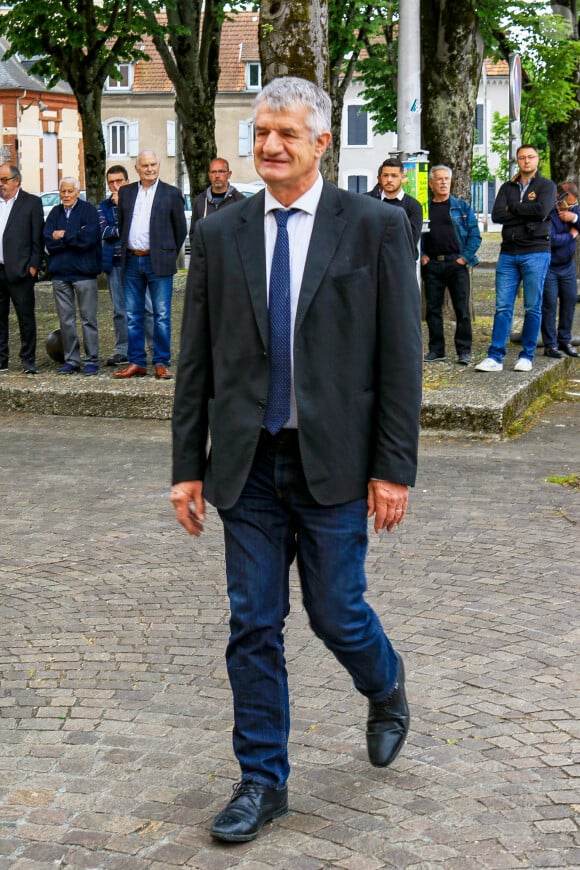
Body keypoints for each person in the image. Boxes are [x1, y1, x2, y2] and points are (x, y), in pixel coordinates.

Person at [171, 76, 422, 844]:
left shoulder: (375, 227)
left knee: (337, 612)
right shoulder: (218, 233)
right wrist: (187, 466)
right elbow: (196, 363)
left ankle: (386, 686)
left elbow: (400, 356)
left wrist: (393, 467)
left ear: (321, 143)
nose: (270, 145)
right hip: (246, 468)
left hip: (337, 466)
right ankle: (262, 781)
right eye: (261, 132)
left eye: (287, 133)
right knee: (253, 624)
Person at [476, 144, 556, 373]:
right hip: (508, 253)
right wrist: (525, 211)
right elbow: (498, 214)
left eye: (531, 157)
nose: (526, 161)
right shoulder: (507, 187)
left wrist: (515, 209)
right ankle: (495, 356)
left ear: (537, 160)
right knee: (502, 306)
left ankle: (527, 355)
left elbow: (542, 211)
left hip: (536, 252)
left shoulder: (546, 186)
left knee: (532, 306)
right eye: (522, 158)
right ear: (517, 161)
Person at [114, 150, 187, 380]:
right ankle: (137, 362)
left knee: (162, 314)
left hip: (159, 261)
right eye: (144, 165)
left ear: (158, 166)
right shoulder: (126, 193)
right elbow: (123, 224)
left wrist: (166, 253)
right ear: (136, 168)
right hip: (132, 260)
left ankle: (161, 362)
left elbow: (180, 230)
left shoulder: (171, 194)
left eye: (153, 164)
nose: (149, 169)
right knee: (133, 314)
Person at [420, 165, 481, 365]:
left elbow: (475, 235)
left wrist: (464, 258)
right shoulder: (424, 208)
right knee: (433, 310)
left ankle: (464, 351)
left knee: (461, 309)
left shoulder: (462, 207)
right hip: (433, 266)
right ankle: (437, 350)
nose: (444, 182)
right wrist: (422, 256)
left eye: (446, 179)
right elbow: (415, 234)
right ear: (431, 184)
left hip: (456, 264)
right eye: (439, 179)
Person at [98, 165, 154, 367]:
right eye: (111, 182)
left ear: (127, 182)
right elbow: (104, 232)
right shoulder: (103, 206)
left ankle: (154, 350)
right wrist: (121, 228)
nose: (115, 185)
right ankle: (123, 350)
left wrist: (123, 209)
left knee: (147, 307)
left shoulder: (139, 202)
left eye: (119, 181)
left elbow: (138, 229)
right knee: (120, 310)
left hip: (137, 260)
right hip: (114, 264)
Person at [44, 177, 101, 375]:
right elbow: (48, 241)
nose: (66, 195)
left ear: (77, 192)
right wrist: (74, 236)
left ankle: (92, 359)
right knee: (65, 319)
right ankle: (71, 359)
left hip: (84, 273)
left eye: (70, 191)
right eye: (63, 191)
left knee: (88, 318)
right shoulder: (54, 212)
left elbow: (88, 240)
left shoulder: (89, 211)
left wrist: (64, 235)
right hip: (60, 274)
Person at [0, 163, 44, 375]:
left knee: (25, 318)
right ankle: (1, 360)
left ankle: (28, 359)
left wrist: (33, 268)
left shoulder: (31, 203)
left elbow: (37, 239)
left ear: (16, 180)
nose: (1, 184)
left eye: (4, 180)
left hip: (21, 271)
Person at [540, 181, 580, 359]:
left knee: (570, 300)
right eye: (568, 204)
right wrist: (571, 235)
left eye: (574, 204)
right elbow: (552, 240)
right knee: (549, 305)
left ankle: (565, 339)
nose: (571, 207)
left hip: (567, 266)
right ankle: (550, 344)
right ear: (558, 198)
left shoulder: (573, 211)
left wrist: (575, 219)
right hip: (549, 266)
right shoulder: (547, 212)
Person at [188, 157, 245, 248]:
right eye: (213, 172)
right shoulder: (200, 201)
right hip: (207, 260)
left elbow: (245, 234)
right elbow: (194, 233)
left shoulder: (240, 201)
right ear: (209, 175)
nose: (217, 175)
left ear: (229, 174)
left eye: (221, 171)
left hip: (231, 259)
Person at [366, 157, 423, 246]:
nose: (389, 180)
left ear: (403, 177)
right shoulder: (367, 201)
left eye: (394, 176)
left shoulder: (413, 206)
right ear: (380, 178)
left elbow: (411, 240)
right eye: (385, 175)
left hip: (402, 259)